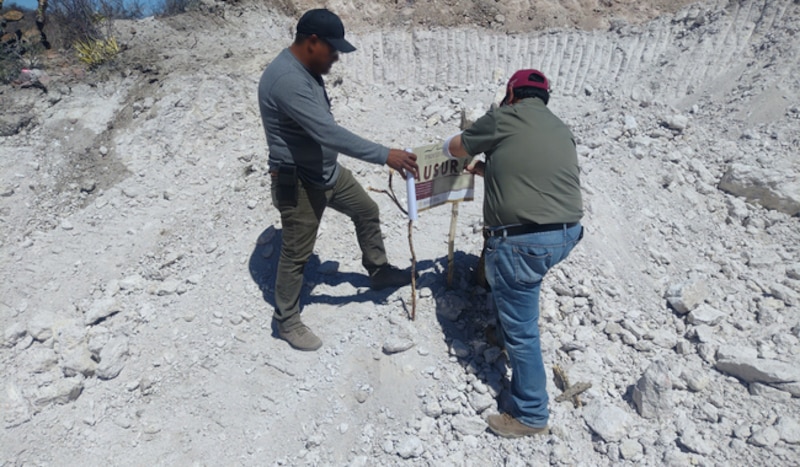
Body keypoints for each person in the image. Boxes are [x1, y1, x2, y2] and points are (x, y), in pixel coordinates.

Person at [257, 9, 419, 352]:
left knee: (366, 210)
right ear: (312, 42)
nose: (336, 58)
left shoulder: (307, 69)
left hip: (327, 172)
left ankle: (378, 272)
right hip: (299, 181)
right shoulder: (286, 79)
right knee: (297, 253)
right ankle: (285, 320)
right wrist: (383, 154)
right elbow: (327, 132)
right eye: (333, 51)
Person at [443, 69, 584, 437]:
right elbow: (533, 174)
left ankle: (530, 414)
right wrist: (490, 170)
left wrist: (440, 152)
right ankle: (503, 335)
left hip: (523, 241)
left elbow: (458, 148)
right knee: (515, 286)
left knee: (524, 328)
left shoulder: (505, 116)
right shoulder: (558, 126)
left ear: (510, 93)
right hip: (566, 234)